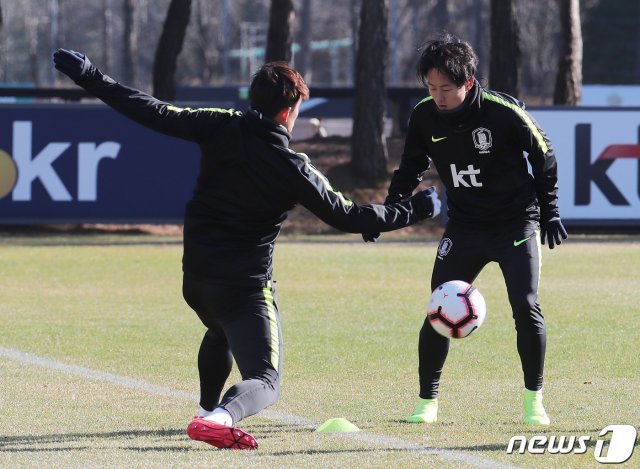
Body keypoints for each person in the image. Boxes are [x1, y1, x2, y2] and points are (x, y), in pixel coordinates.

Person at [53, 49, 441, 449]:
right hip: (244, 288)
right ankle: (222, 418)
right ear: (288, 111)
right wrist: (415, 209)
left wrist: (90, 74)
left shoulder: (220, 124)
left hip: (197, 280)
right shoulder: (291, 166)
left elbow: (151, 111)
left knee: (219, 329)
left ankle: (206, 413)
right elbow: (350, 217)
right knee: (267, 380)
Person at [363, 33, 567, 426]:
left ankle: (533, 401)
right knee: (438, 309)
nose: (438, 96)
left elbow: (545, 154)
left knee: (525, 306)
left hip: (515, 224)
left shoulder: (502, 112)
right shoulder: (424, 115)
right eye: (431, 87)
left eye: (447, 88)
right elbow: (410, 169)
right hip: (465, 225)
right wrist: (386, 216)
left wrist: (550, 211)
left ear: (468, 83)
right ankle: (427, 402)